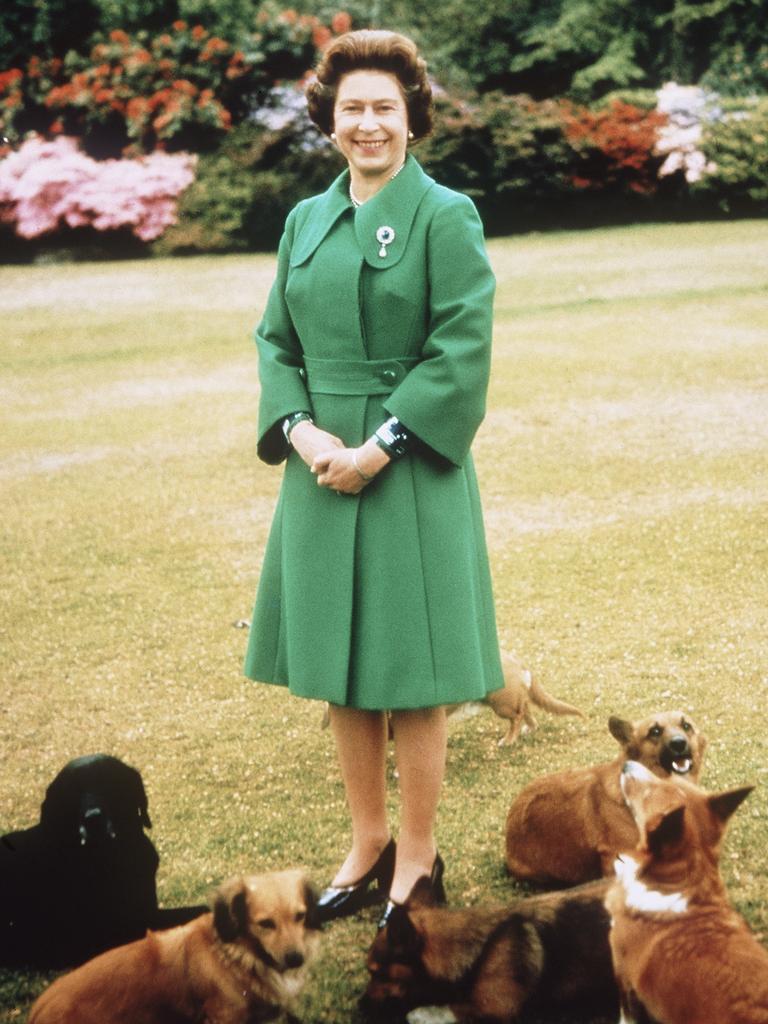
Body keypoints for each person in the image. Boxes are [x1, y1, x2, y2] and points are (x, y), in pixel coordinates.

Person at [244, 28, 504, 927]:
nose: (368, 124)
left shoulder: (446, 215)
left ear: (412, 116)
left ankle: (419, 860)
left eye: (384, 109)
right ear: (329, 116)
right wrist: (305, 433)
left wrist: (378, 446)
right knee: (340, 669)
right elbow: (276, 342)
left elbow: (461, 349)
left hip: (410, 471)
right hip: (320, 471)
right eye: (352, 107)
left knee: (411, 674)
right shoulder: (303, 221)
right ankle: (366, 843)